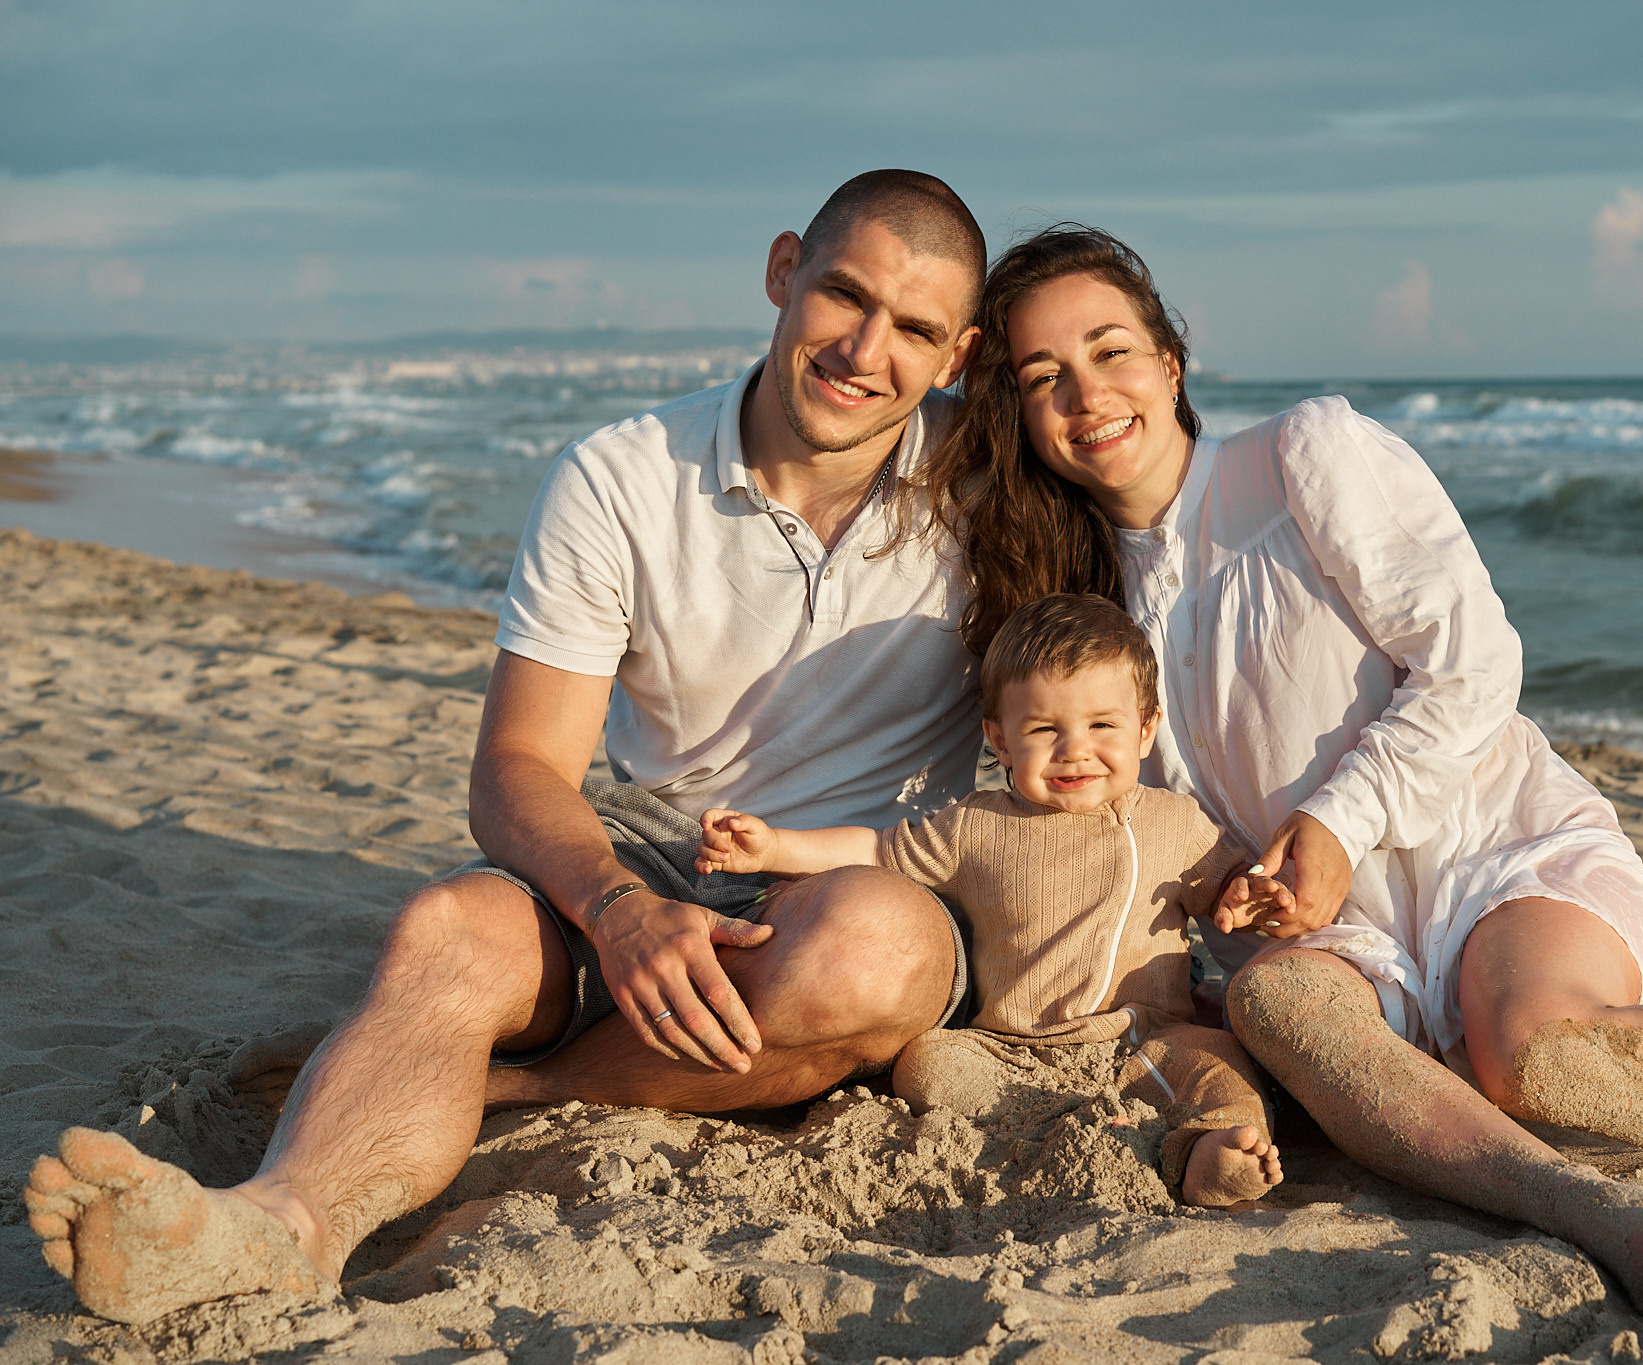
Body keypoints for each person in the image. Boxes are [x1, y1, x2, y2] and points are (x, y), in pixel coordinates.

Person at [926, 223, 1643, 1324]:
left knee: (1529, 1055)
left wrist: (1333, 824)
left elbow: (1472, 663)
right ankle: (1587, 1207)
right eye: (1041, 376)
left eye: (1110, 349)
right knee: (1275, 1002)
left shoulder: (1301, 457)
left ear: (1170, 361)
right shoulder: (1081, 616)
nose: (1085, 392)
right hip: (1327, 934)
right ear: (1018, 415)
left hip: (1493, 851)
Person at [25, 170, 994, 1326]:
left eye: (915, 329)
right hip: (650, 842)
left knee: (869, 960)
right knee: (446, 931)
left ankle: (494, 1084)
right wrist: (620, 910)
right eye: (844, 295)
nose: (863, 349)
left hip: (856, 874)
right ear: (784, 270)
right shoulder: (621, 475)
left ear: (957, 354)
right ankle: (277, 1225)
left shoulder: (996, 495)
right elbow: (519, 767)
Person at [697, 592, 1287, 1207]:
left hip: (1144, 1037)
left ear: (1145, 729)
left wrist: (1249, 895)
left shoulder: (1173, 822)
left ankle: (1207, 1153)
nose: (1075, 749)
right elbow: (874, 850)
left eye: (1102, 725)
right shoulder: (975, 828)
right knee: (926, 1065)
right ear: (1000, 741)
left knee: (1219, 1062)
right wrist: (771, 847)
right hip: (1010, 1050)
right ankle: (1077, 1130)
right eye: (1043, 730)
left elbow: (1228, 884)